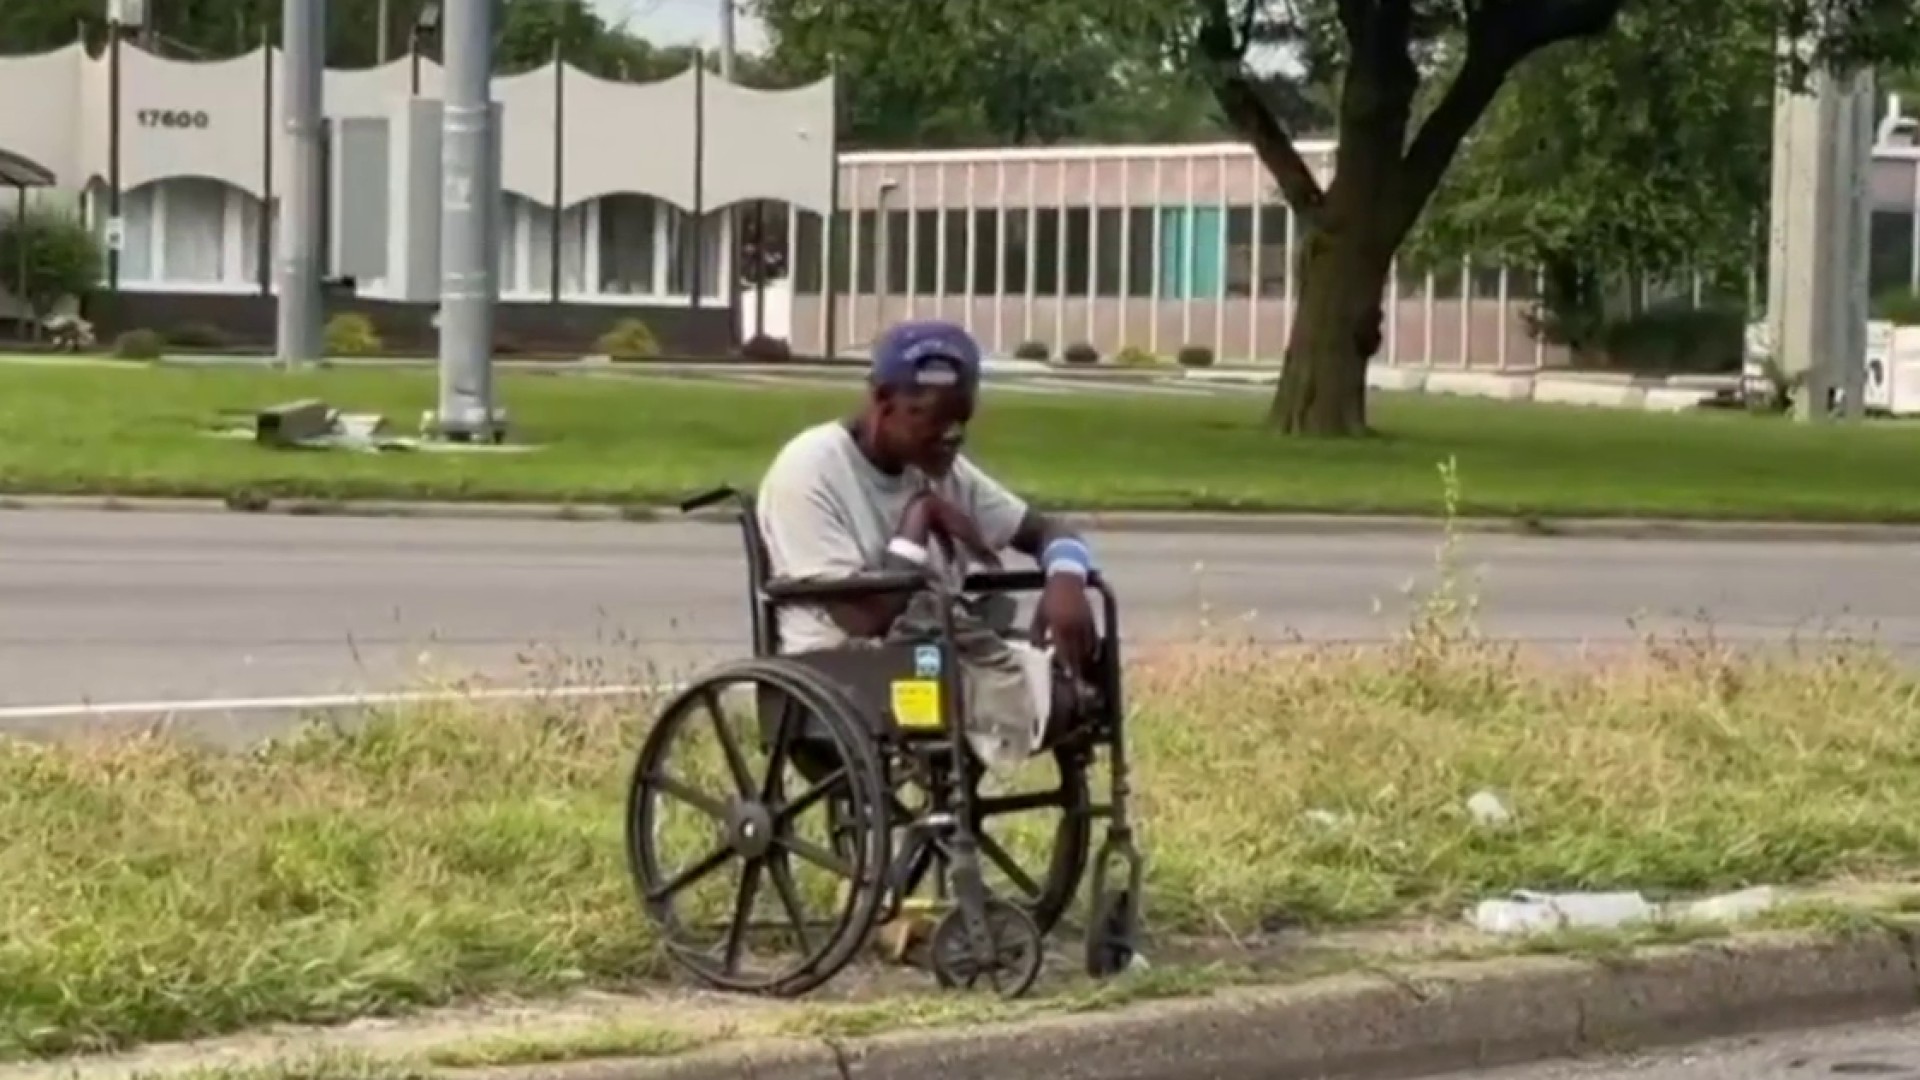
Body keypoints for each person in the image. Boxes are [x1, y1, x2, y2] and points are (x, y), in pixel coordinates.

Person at [755, 318, 1101, 764]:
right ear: (883, 400)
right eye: (936, 419)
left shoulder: (941, 466)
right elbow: (864, 620)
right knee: (1035, 688)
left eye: (962, 419)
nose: (954, 434)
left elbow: (1045, 530)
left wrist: (1066, 579)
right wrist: (920, 517)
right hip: (838, 668)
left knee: (1079, 677)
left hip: (924, 652)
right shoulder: (810, 470)